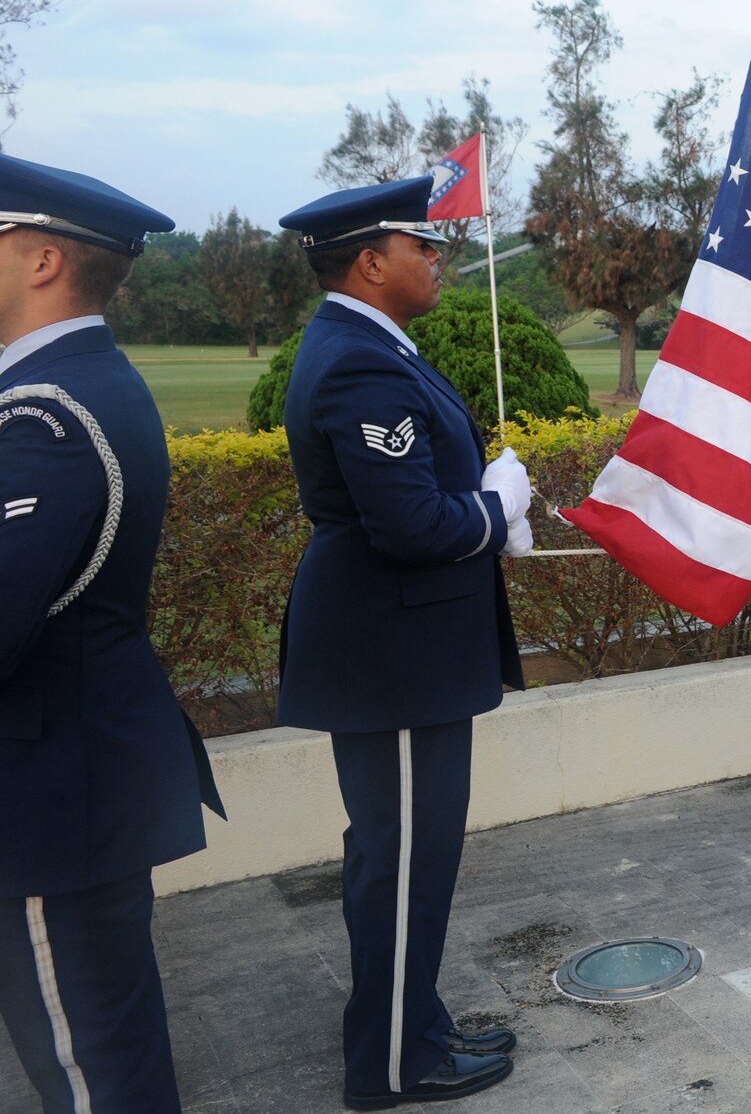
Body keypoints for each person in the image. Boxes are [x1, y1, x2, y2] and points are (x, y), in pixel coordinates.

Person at [277, 176, 534, 1109]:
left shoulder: (374, 347)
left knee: (412, 855)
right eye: (422, 246)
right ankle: (392, 1060)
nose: (439, 258)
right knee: (401, 861)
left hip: (402, 647)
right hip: (393, 654)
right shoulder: (358, 362)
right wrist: (497, 505)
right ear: (369, 262)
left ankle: (414, 1020)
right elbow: (415, 524)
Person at [0, 152, 224, 1114]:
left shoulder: (46, 416)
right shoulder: (84, 383)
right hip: (78, 778)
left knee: (91, 1074)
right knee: (109, 1051)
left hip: (51, 798)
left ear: (43, 259)